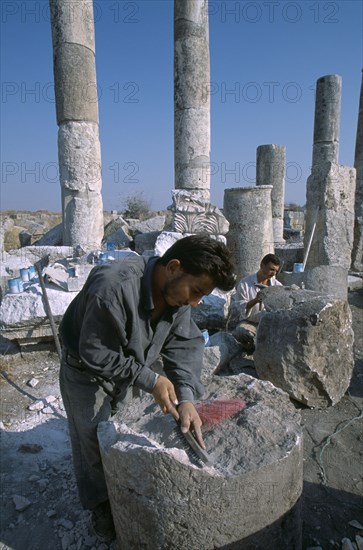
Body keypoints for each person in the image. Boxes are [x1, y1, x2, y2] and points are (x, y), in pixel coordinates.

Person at [59, 234, 236, 542]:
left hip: (132, 363)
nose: (195, 303)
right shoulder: (113, 288)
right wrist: (152, 379)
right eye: (195, 292)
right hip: (85, 367)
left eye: (201, 296)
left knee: (120, 427)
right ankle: (100, 503)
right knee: (90, 436)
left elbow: (184, 344)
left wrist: (188, 397)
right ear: (174, 267)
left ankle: (124, 486)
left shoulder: (177, 295)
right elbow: (95, 352)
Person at [231, 254, 282, 353]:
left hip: (269, 324)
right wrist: (255, 300)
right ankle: (251, 350)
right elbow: (239, 307)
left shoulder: (277, 286)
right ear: (262, 265)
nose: (273, 273)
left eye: (276, 271)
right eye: (271, 269)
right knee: (242, 332)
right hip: (250, 323)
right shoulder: (245, 283)